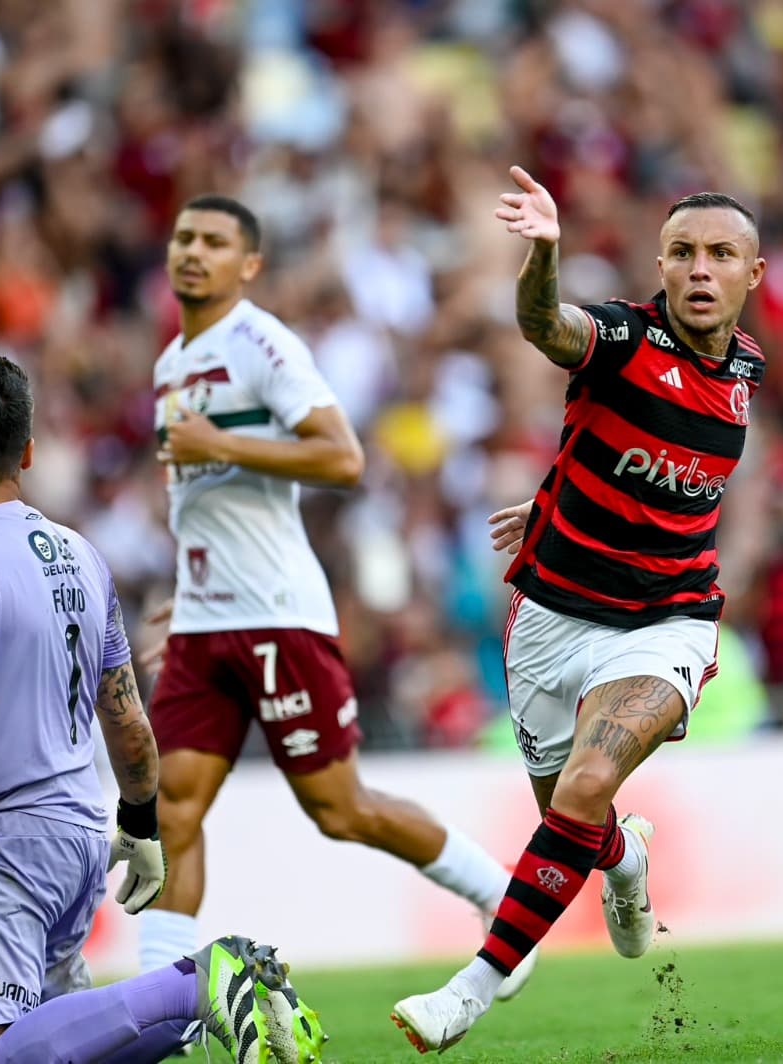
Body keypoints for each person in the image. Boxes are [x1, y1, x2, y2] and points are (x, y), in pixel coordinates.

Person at [0, 356, 323, 1064]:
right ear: (28, 453)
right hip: (77, 840)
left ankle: (197, 986)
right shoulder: (82, 558)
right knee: (68, 1048)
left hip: (3, 850)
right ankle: (191, 1009)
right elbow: (124, 715)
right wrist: (141, 819)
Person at [390, 166, 766, 1053]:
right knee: (576, 815)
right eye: (682, 252)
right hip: (552, 619)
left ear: (753, 274)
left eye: (721, 255)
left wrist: (559, 492)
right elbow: (544, 325)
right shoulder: (623, 339)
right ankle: (624, 859)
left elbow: (668, 470)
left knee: (588, 787)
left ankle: (474, 988)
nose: (699, 270)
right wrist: (544, 255)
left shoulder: (747, 367)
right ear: (659, 264)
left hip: (666, 621)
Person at [141, 195, 533, 1014]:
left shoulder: (260, 342)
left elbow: (342, 455)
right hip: (205, 618)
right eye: (184, 238)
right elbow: (203, 500)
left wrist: (222, 443)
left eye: (214, 242)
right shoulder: (171, 363)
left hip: (278, 615)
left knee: (340, 809)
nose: (193, 252)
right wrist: (185, 587)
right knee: (173, 804)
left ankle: (501, 899)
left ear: (248, 265)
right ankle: (156, 1009)